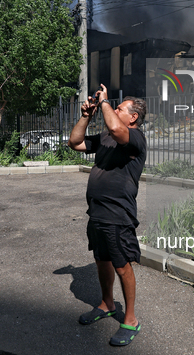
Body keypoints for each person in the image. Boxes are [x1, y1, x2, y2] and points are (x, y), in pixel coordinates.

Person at [68, 84, 146, 347]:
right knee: (101, 259)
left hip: (118, 214)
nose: (114, 110)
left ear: (133, 117)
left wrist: (103, 102)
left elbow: (116, 128)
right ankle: (107, 304)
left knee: (122, 265)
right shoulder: (105, 138)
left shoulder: (135, 138)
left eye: (120, 108)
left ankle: (131, 320)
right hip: (98, 213)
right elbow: (75, 142)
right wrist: (86, 115)